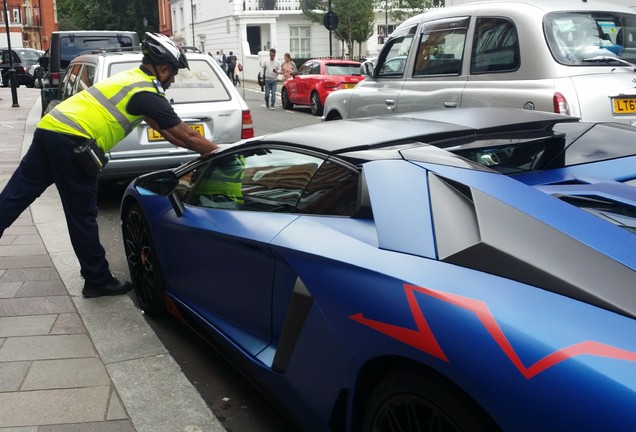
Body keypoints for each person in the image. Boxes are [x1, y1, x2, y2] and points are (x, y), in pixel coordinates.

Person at [0, 32, 218, 298]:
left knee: (15, 195)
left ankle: (96, 276)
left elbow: (169, 133)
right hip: (72, 141)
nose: (173, 80)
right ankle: (97, 279)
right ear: (162, 69)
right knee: (82, 215)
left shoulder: (132, 82)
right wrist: (222, 154)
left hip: (50, 129)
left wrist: (196, 151)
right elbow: (186, 135)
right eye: (173, 74)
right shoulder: (146, 93)